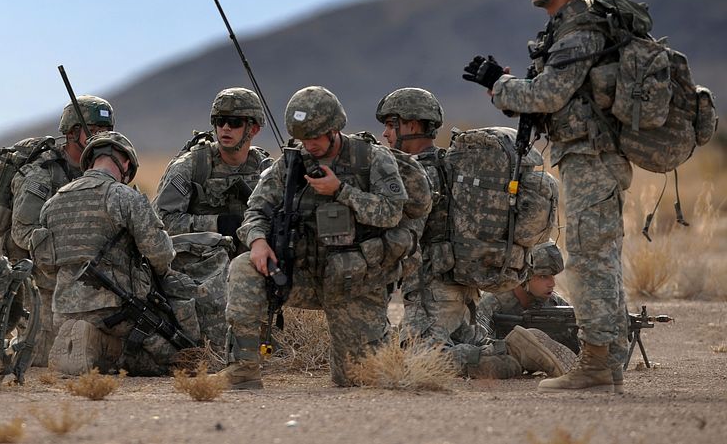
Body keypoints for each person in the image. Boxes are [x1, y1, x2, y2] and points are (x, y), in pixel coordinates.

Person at [463, 0, 631, 393]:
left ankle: (597, 363)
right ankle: (608, 360)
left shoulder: (579, 31)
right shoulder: (565, 31)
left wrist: (500, 87)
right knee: (599, 255)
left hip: (591, 158)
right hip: (583, 156)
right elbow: (554, 100)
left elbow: (550, 94)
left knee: (591, 259)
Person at [220, 86, 415, 389]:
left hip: (356, 281)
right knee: (245, 266)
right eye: (303, 138)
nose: (309, 145)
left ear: (334, 129)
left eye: (315, 138)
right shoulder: (291, 163)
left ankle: (388, 344)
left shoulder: (372, 160)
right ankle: (243, 368)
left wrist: (341, 191)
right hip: (303, 274)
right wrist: (257, 241)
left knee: (356, 379)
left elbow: (392, 213)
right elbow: (256, 208)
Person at [376, 87, 571, 379]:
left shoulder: (415, 174)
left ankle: (517, 350)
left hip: (433, 290)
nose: (385, 135)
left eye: (391, 125)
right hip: (462, 287)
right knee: (467, 344)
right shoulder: (450, 165)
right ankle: (505, 350)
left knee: (418, 360)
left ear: (412, 126)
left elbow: (401, 235)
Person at [35, 131, 199, 376]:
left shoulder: (52, 204)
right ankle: (102, 349)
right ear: (124, 162)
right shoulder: (124, 197)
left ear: (90, 160)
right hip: (117, 313)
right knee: (177, 361)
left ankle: (75, 342)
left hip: (63, 312)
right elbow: (161, 254)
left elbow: (45, 266)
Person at [152, 88, 271, 352]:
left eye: (235, 122)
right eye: (220, 121)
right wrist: (218, 224)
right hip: (197, 260)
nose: (225, 128)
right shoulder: (191, 166)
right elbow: (161, 221)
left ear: (253, 129)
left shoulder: (265, 169)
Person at [3, 95, 115, 366]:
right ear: (72, 132)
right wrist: (70, 251)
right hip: (42, 274)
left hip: (86, 272)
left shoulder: (104, 171)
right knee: (41, 357)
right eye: (94, 131)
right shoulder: (43, 173)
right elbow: (22, 233)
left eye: (105, 131)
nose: (101, 137)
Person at [477, 241, 580, 354]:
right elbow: (478, 344)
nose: (552, 284)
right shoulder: (493, 303)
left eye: (553, 276)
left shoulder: (557, 305)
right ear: (524, 276)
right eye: (543, 276)